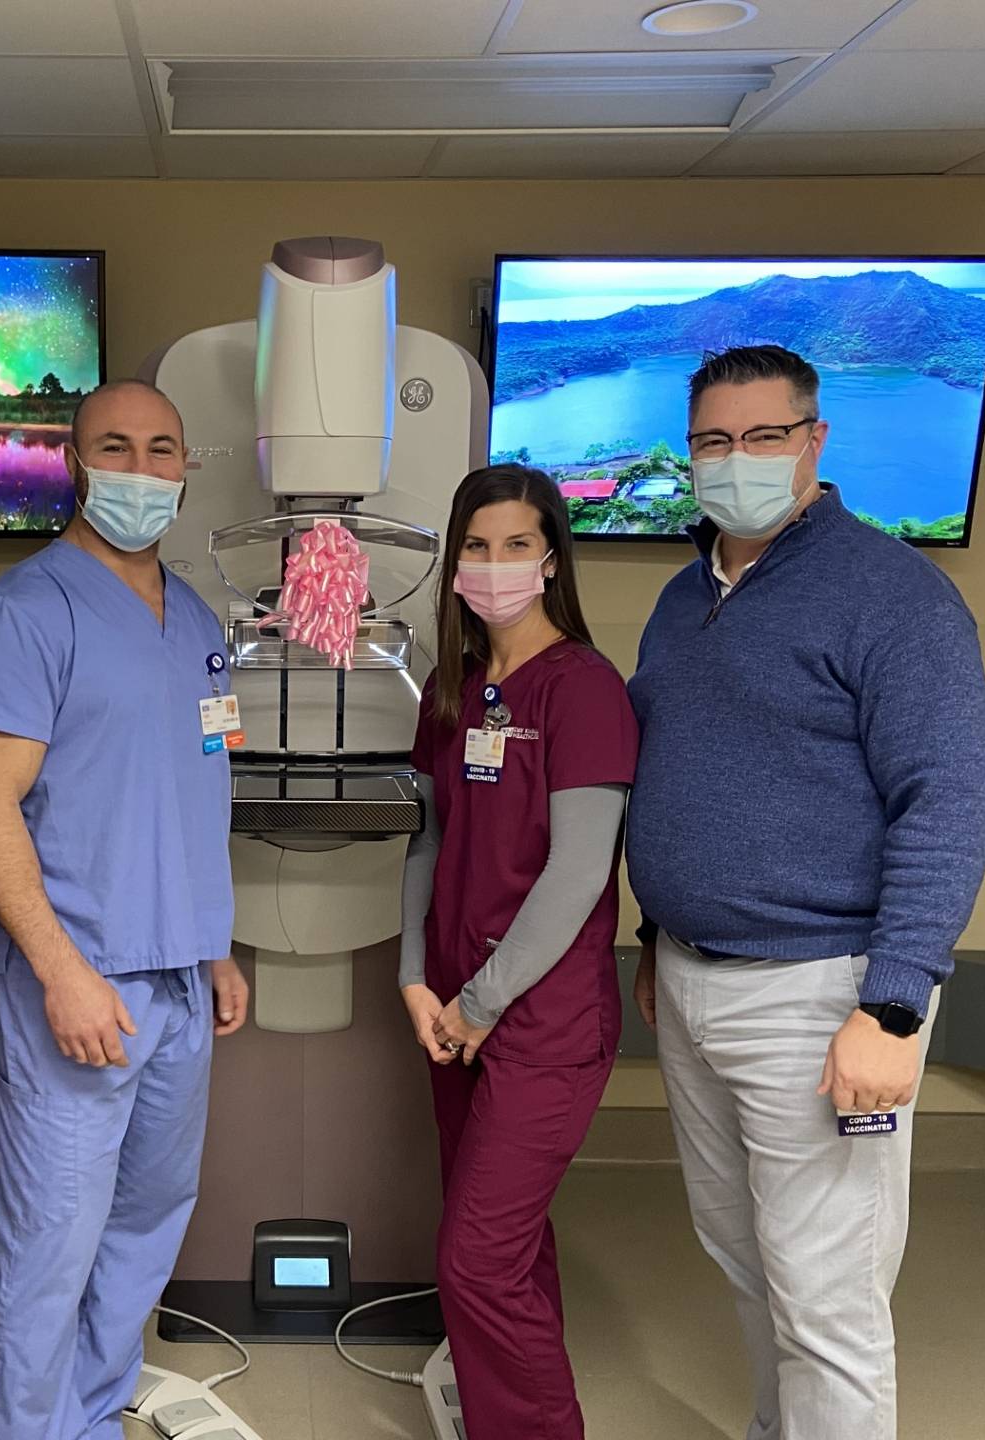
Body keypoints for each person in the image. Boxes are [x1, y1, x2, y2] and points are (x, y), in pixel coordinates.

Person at [628, 345, 985, 1440]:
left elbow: (951, 804)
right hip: (691, 981)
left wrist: (893, 1006)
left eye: (763, 436)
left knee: (826, 1300)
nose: (734, 458)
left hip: (826, 992)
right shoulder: (681, 600)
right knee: (745, 1257)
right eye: (712, 440)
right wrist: (656, 935)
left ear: (815, 441)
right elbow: (678, 776)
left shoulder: (896, 596)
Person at [0, 378, 249, 1440]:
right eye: (115, 447)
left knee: (149, 1214)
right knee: (48, 1235)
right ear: (75, 462)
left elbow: (194, 790)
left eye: (162, 449)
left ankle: (94, 1409)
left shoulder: (195, 619)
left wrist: (213, 946)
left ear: (185, 468)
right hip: (76, 977)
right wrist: (62, 970)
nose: (141, 469)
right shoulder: (20, 616)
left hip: (179, 974)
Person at [399, 464, 637, 1440]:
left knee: (476, 1261)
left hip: (540, 1020)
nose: (494, 565)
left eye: (515, 546)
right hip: (453, 1008)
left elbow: (577, 874)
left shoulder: (584, 690)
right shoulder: (452, 689)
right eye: (476, 547)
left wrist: (483, 1001)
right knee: (508, 1244)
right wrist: (413, 976)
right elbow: (427, 840)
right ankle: (504, 1416)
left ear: (550, 560)